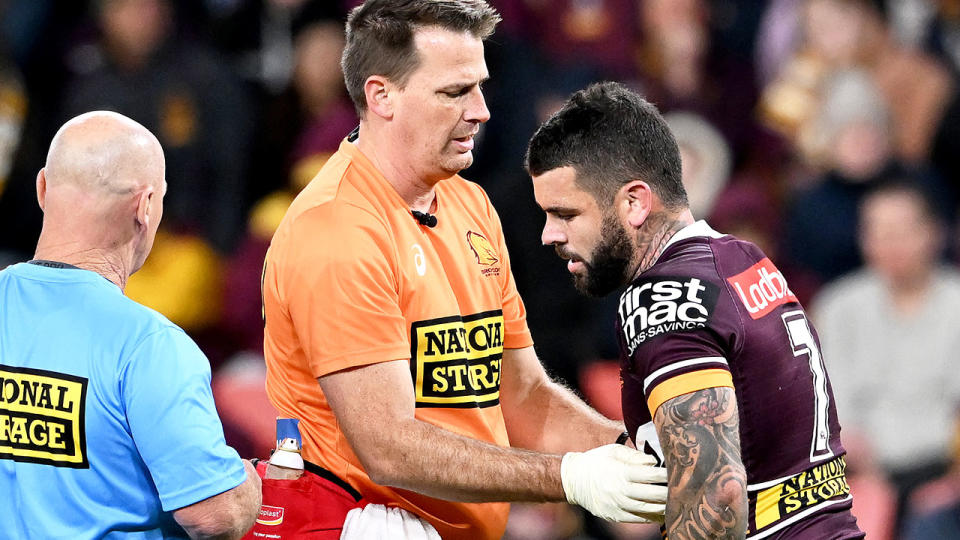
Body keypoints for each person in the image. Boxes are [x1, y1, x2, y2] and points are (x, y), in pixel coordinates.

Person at [261, 2, 668, 539]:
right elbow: (388, 448)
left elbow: (521, 397)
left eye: (479, 87)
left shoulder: (469, 204)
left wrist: (632, 451)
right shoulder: (337, 229)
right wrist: (570, 477)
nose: (482, 111)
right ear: (381, 96)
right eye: (454, 92)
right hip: (354, 524)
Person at [525, 81, 864, 539]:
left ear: (634, 202)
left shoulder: (662, 296)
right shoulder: (742, 258)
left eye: (566, 214)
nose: (550, 235)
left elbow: (715, 495)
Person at [0, 111, 261, 539]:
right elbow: (214, 515)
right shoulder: (149, 347)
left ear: (42, 189)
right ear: (145, 207)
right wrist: (246, 486)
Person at [812, 182, 960, 530]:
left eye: (902, 231)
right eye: (877, 231)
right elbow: (827, 398)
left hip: (941, 467)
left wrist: (953, 482)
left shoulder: (956, 302)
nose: (890, 243)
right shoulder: (838, 305)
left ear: (935, 233)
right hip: (857, 468)